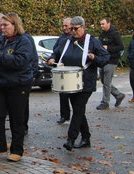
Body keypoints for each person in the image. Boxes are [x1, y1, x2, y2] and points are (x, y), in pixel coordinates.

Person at [48, 16, 108, 150]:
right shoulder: (67, 41)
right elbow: (55, 53)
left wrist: (95, 57)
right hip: (69, 82)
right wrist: (52, 59)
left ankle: (71, 139)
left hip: (86, 82)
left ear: (83, 28)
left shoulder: (92, 41)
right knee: (78, 110)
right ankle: (86, 137)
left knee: (78, 109)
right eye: (71, 29)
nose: (73, 31)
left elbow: (105, 58)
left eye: (76, 29)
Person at [0, 12, 37, 161]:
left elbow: (21, 60)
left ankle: (17, 150)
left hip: (18, 84)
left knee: (16, 118)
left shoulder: (24, 40)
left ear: (15, 25)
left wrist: (1, 57)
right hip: (1, 82)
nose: (2, 28)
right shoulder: (1, 38)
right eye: (1, 25)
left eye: (5, 25)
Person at [96, 17, 126, 110]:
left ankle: (105, 102)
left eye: (103, 24)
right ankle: (119, 95)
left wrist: (108, 48)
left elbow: (121, 46)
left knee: (107, 82)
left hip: (112, 60)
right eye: (101, 24)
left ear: (108, 23)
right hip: (103, 60)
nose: (101, 26)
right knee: (104, 81)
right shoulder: (102, 34)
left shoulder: (115, 34)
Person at [52, 18, 73, 122]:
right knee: (63, 94)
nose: (64, 28)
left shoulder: (75, 38)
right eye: (63, 26)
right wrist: (51, 58)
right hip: (62, 69)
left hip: (73, 70)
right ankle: (64, 115)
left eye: (66, 26)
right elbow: (55, 51)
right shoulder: (61, 38)